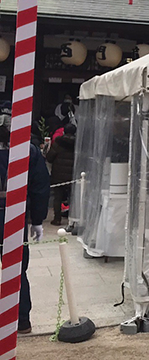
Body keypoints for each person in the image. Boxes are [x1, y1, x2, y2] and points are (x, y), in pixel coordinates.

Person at [0, 106, 51, 334]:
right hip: (15, 212)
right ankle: (21, 320)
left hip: (14, 210)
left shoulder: (28, 150)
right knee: (18, 268)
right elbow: (40, 187)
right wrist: (37, 219)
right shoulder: (28, 151)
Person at [45, 124, 76, 225]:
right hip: (72, 174)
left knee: (57, 197)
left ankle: (57, 219)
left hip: (58, 174)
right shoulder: (77, 144)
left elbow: (49, 157)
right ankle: (72, 219)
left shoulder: (58, 142)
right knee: (72, 197)